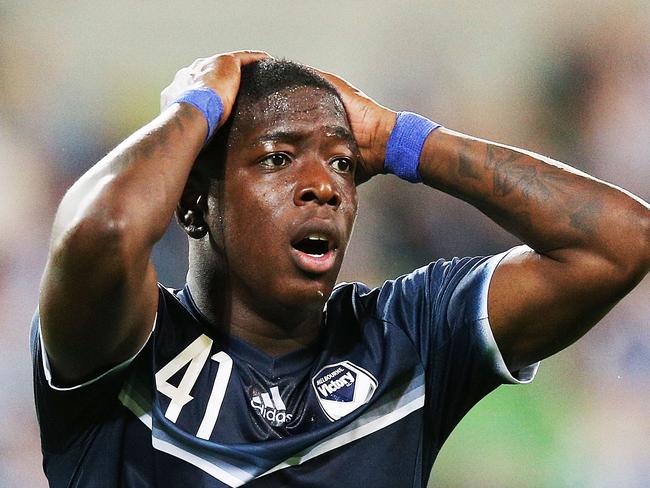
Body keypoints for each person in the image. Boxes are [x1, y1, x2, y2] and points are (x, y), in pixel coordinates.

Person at [32, 50, 649, 487]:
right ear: (193, 204)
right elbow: (104, 229)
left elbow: (621, 241)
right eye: (277, 159)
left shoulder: (407, 337)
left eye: (343, 164)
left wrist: (400, 139)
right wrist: (193, 110)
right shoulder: (125, 347)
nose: (322, 186)